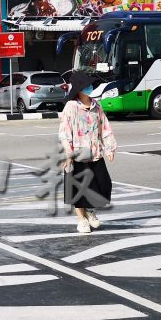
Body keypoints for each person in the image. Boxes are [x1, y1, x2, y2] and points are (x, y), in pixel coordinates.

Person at [58, 70, 116, 234]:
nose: (90, 87)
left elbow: (105, 127)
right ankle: (81, 219)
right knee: (78, 189)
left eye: (90, 85)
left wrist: (109, 147)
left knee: (104, 184)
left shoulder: (96, 105)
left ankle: (90, 210)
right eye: (87, 85)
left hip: (95, 152)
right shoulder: (71, 106)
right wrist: (68, 154)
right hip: (77, 155)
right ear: (79, 88)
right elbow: (64, 132)